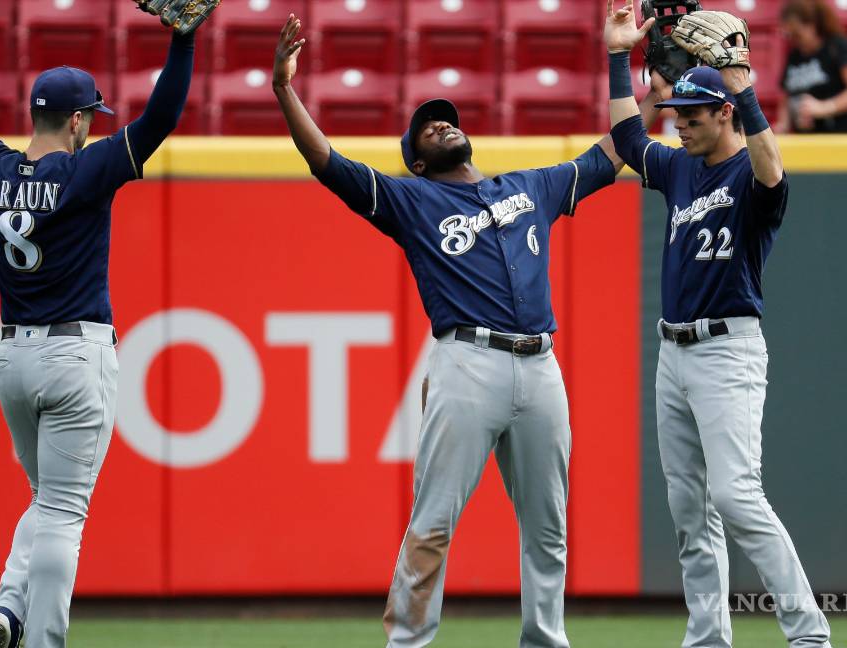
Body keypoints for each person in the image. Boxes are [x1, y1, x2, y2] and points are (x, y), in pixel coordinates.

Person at [273, 13, 667, 648]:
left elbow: (613, 152)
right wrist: (284, 89)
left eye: (447, 117)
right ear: (418, 163)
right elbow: (327, 163)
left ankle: (545, 640)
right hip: (467, 364)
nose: (443, 123)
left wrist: (642, 82)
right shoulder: (412, 201)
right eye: (428, 127)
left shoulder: (531, 186)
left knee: (549, 525)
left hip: (542, 367)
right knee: (434, 520)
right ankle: (408, 641)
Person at [0, 0, 208, 645]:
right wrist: (184, 42)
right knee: (64, 510)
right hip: (76, 357)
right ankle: (44, 637)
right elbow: (160, 120)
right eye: (90, 117)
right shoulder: (85, 168)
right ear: (76, 120)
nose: (92, 127)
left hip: (13, 360)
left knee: (47, 497)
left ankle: (8, 607)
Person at [603, 1, 833, 647]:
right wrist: (620, 57)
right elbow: (626, 141)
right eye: (678, 116)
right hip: (672, 353)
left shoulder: (749, 172)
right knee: (688, 509)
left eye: (693, 118)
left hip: (726, 350)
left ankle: (808, 632)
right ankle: (708, 637)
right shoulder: (679, 165)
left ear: (724, 113)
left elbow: (772, 169)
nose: (681, 128)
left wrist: (744, 87)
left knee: (735, 496)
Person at [778, 0, 847, 133]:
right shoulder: (794, 55)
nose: (794, 40)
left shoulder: (838, 47)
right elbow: (786, 95)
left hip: (843, 137)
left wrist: (824, 108)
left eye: (797, 34)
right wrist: (783, 124)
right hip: (808, 141)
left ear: (813, 25)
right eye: (790, 35)